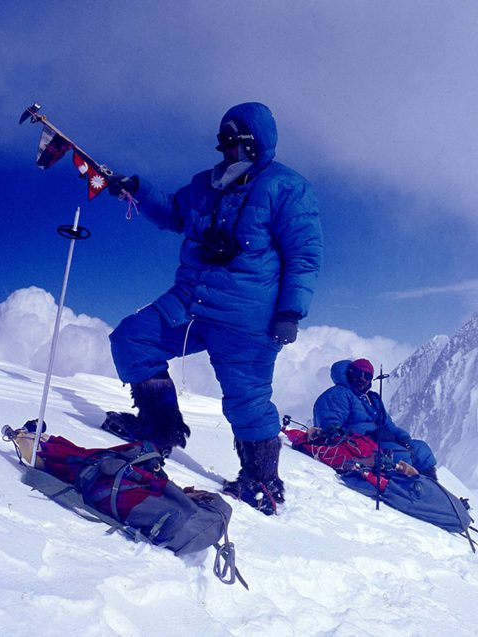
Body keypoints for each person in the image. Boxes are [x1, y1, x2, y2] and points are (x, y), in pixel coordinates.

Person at [102, 102, 322, 515]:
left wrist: (290, 312)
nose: (226, 153)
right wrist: (137, 188)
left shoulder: (288, 188)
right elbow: (172, 212)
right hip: (190, 302)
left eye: (234, 144)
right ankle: (159, 429)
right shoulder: (206, 185)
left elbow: (304, 256)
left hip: (246, 317)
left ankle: (262, 481)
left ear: (255, 145)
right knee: (133, 339)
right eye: (223, 144)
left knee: (247, 399)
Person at [312, 359, 438, 479]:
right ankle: (411, 489)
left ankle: (431, 487)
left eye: (367, 376)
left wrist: (403, 437)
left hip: (379, 441)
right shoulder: (339, 394)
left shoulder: (372, 399)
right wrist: (367, 435)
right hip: (361, 445)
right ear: (349, 374)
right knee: (401, 455)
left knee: (421, 449)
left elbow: (389, 425)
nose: (362, 378)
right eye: (358, 373)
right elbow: (331, 424)